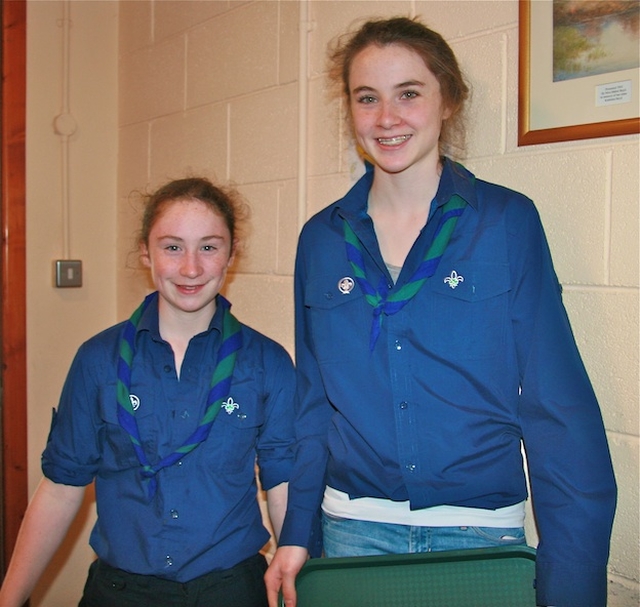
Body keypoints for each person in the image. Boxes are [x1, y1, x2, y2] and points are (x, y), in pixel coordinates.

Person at [265, 16, 616, 607]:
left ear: (447, 99)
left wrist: (573, 586)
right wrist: (297, 532)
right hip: (351, 531)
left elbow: (560, 410)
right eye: (366, 98)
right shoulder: (320, 240)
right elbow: (311, 403)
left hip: (477, 535)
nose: (386, 117)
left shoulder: (506, 223)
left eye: (409, 93)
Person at [0, 177, 296, 607]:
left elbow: (283, 484)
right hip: (119, 593)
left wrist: (302, 583)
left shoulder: (267, 363)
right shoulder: (97, 360)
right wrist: (10, 598)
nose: (191, 268)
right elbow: (62, 487)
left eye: (209, 247)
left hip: (231, 591)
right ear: (146, 252)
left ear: (232, 254)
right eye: (172, 247)